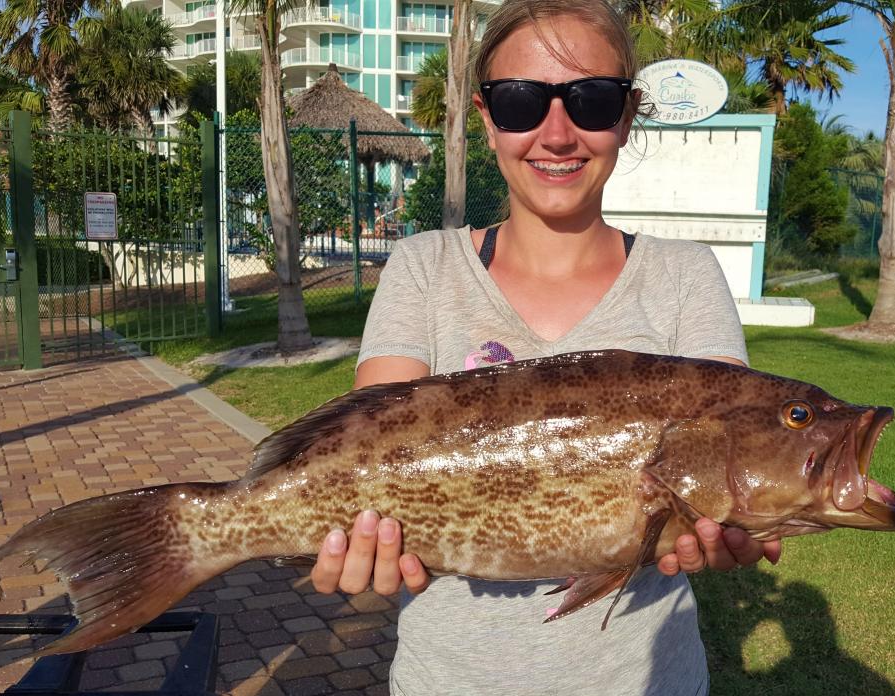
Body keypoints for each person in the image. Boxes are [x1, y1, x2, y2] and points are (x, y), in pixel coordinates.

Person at [309, 1, 782, 693]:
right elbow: (366, 449)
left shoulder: (684, 275)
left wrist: (734, 517)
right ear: (485, 115)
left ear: (627, 114)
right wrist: (353, 542)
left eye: (592, 101)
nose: (556, 134)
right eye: (521, 101)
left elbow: (728, 434)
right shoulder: (422, 268)